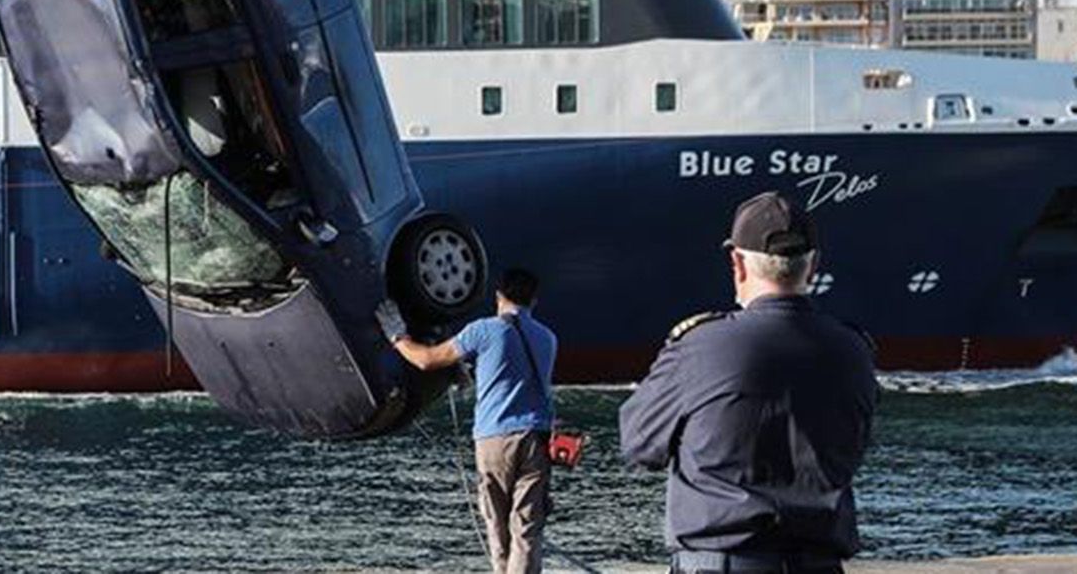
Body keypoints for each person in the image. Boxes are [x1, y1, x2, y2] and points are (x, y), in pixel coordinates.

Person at [619, 191, 878, 574]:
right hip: (820, 563)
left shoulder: (700, 346)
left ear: (737, 263)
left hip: (722, 561)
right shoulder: (854, 350)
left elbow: (640, 444)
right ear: (813, 266)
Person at [376, 269, 557, 574]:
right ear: (534, 300)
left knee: (497, 525)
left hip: (494, 438)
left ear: (498, 296)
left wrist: (397, 335)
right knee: (526, 528)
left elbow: (426, 359)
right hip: (536, 437)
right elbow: (516, 374)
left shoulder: (483, 331)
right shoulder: (548, 338)